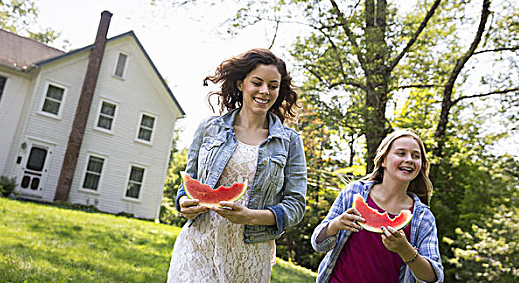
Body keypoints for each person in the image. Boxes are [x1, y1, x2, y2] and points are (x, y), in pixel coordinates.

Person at [167, 48, 307, 283]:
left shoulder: (290, 142)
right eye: (257, 82)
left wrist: (251, 217)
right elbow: (188, 181)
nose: (265, 91)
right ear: (241, 84)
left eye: (273, 86)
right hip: (199, 243)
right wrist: (183, 202)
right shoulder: (209, 128)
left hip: (249, 252)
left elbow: (295, 206)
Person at [311, 129, 444, 283]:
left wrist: (405, 250)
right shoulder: (354, 192)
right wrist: (334, 225)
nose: (409, 159)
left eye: (416, 156)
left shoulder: (423, 217)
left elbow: (434, 278)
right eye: (401, 153)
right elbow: (318, 244)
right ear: (383, 160)